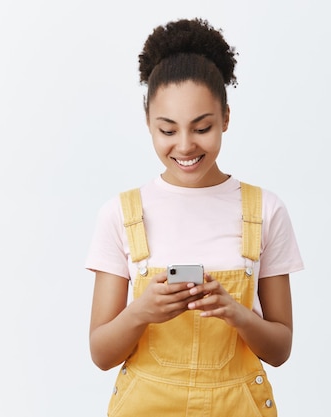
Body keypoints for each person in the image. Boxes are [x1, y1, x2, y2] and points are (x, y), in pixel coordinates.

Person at [86, 17, 304, 417]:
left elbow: (280, 349)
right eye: (167, 130)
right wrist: (143, 312)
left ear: (225, 118)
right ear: (148, 123)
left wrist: (236, 314)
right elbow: (101, 353)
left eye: (202, 127)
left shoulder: (265, 210)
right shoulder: (120, 213)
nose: (185, 146)